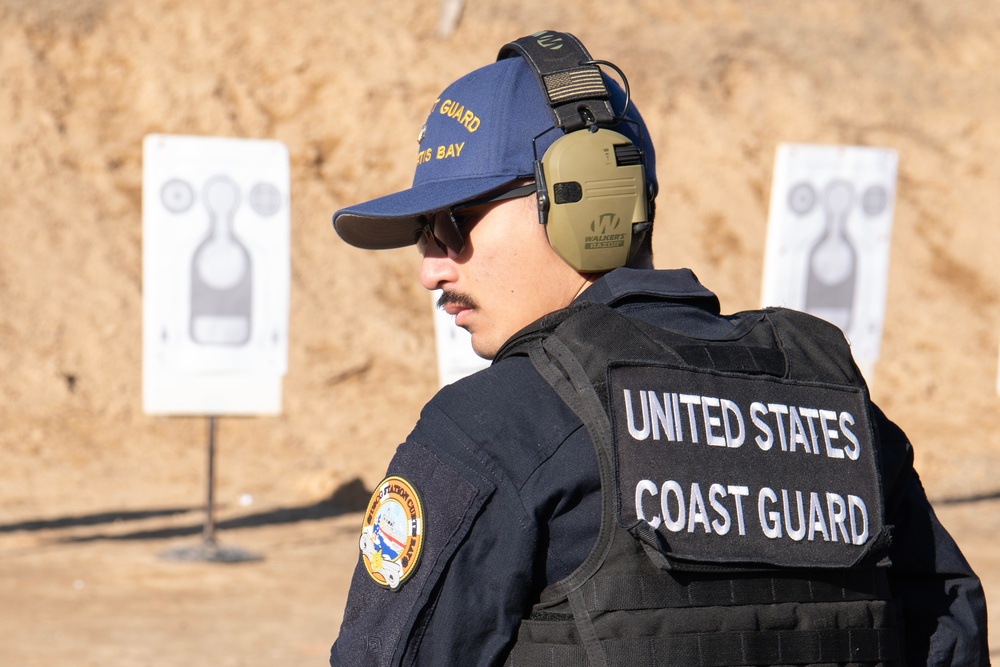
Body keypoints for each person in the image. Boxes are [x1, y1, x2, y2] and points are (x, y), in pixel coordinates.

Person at [329, 30, 989, 666]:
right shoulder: (830, 401)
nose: (432, 267)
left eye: (451, 224)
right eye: (424, 236)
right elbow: (948, 632)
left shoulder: (493, 428)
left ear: (584, 197)